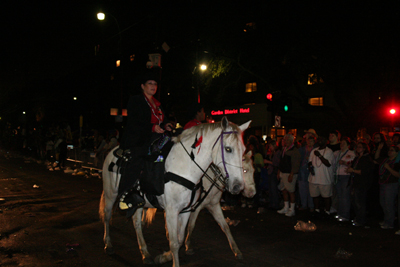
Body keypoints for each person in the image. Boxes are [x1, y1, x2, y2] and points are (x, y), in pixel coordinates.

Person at [117, 71, 173, 216]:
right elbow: (135, 122)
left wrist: (167, 125)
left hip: (157, 137)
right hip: (139, 138)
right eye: (150, 83)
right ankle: (124, 196)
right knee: (139, 158)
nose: (153, 86)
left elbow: (163, 119)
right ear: (142, 86)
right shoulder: (136, 100)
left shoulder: (158, 104)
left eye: (155, 84)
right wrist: (152, 127)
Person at [347, 141, 374, 227]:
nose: (358, 148)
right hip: (355, 182)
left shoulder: (366, 159)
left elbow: (365, 172)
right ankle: (358, 218)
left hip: (361, 183)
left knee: (360, 202)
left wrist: (353, 170)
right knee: (355, 201)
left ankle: (361, 220)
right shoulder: (357, 158)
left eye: (360, 147)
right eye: (357, 147)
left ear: (364, 149)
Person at [308, 136, 334, 217]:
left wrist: (319, 155)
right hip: (314, 178)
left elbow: (328, 164)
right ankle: (316, 209)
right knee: (315, 195)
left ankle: (327, 211)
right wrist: (310, 168)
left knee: (326, 196)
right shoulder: (313, 151)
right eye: (318, 139)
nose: (320, 141)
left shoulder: (329, 151)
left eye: (322, 139)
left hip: (325, 178)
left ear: (326, 141)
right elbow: (309, 161)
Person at [375, 146, 400, 229]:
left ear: (397, 153)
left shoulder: (396, 162)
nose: (390, 152)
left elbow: (397, 174)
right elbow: (376, 159)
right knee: (383, 202)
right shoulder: (385, 160)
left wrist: (388, 168)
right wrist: (379, 149)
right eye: (389, 150)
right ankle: (387, 220)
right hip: (383, 183)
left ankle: (390, 222)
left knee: (389, 203)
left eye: (392, 150)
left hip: (391, 184)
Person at [277, 134, 301, 217]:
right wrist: (279, 171)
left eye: (287, 140)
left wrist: (292, 174)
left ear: (291, 141)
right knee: (284, 190)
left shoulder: (294, 151)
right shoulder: (284, 149)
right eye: (284, 140)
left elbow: (296, 164)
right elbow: (281, 162)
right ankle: (286, 207)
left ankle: (292, 209)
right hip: (283, 173)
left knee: (291, 191)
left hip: (289, 173)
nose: (285, 141)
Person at [332, 137, 355, 222]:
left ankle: (345, 215)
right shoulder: (337, 153)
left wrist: (345, 163)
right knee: (339, 195)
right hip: (337, 175)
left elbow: (353, 164)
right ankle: (340, 213)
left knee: (345, 196)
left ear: (348, 145)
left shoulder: (351, 153)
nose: (341, 145)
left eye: (344, 143)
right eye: (341, 143)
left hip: (345, 175)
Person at [297, 135, 317, 212]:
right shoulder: (301, 150)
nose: (309, 142)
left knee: (310, 189)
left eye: (311, 141)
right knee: (302, 189)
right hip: (302, 170)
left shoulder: (315, 150)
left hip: (310, 170)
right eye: (308, 141)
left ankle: (311, 205)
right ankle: (304, 204)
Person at [264, 140, 282, 210]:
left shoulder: (278, 153)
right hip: (271, 171)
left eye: (270, 146)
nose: (269, 148)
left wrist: (268, 161)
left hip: (274, 172)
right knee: (271, 188)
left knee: (273, 188)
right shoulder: (273, 152)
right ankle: (272, 203)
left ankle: (275, 204)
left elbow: (276, 163)